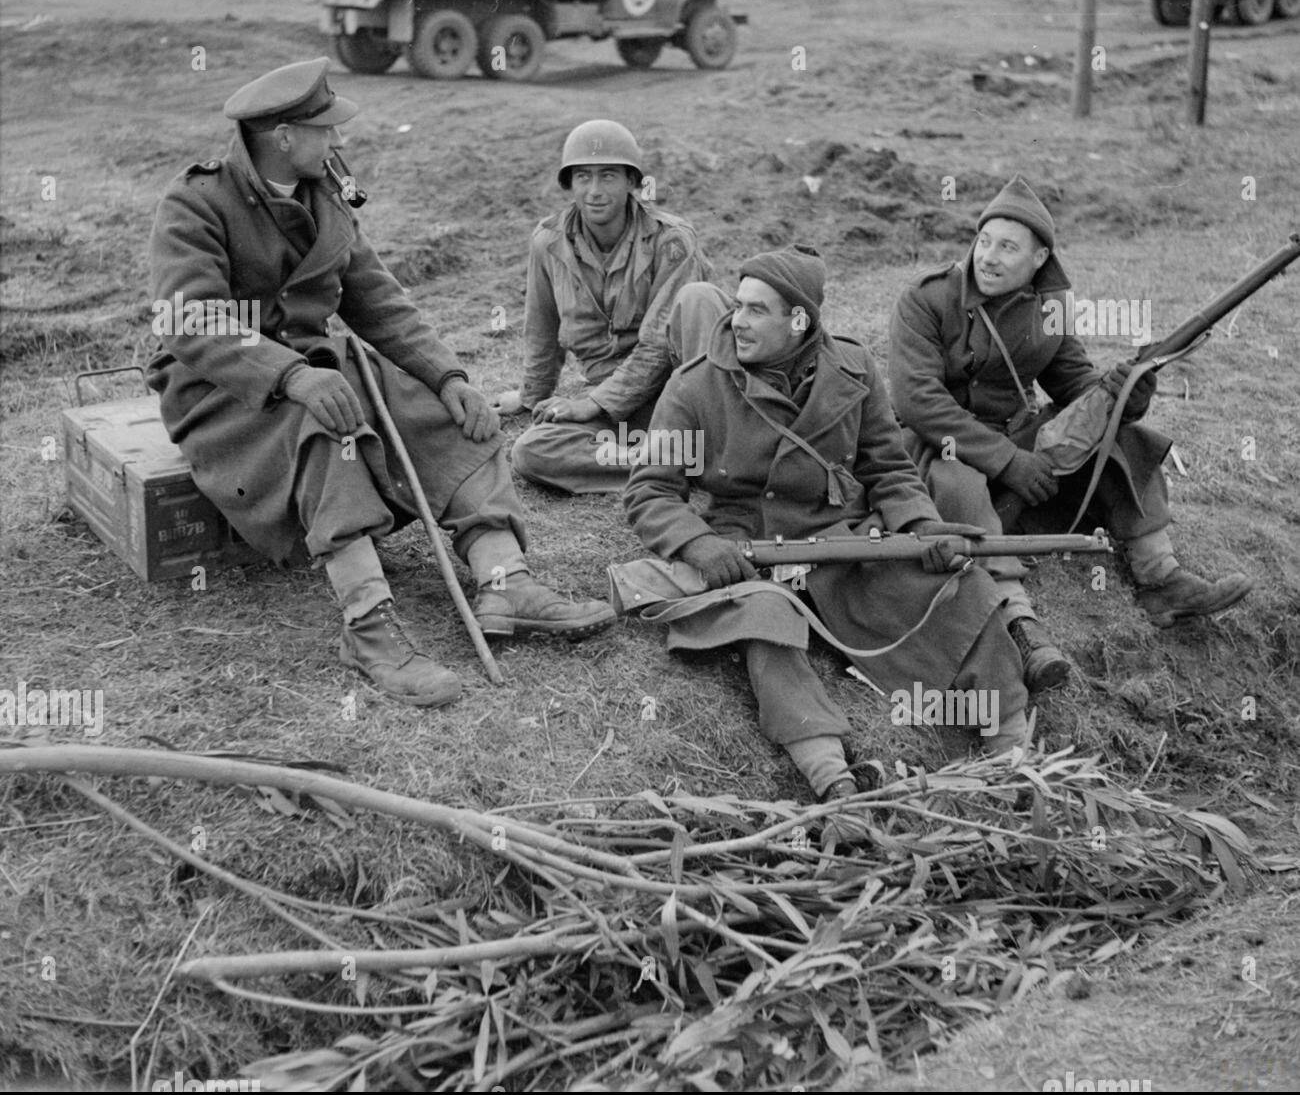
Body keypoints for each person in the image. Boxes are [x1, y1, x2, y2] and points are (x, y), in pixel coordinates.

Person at [147, 57, 613, 709]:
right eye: (324, 129)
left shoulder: (327, 197)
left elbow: (377, 301)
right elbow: (189, 320)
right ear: (282, 135)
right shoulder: (196, 203)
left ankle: (506, 584)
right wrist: (290, 375)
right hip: (226, 389)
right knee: (326, 429)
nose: (338, 141)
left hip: (319, 368)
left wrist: (446, 376)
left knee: (451, 416)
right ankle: (367, 627)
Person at [623, 245, 1034, 815]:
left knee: (958, 593)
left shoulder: (854, 368)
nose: (736, 320)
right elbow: (649, 490)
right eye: (737, 306)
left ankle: (1012, 758)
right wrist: (700, 544)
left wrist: (920, 528)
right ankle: (834, 783)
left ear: (800, 321)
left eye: (756, 310)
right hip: (750, 548)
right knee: (765, 622)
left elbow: (888, 470)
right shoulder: (696, 385)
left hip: (843, 539)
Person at [889, 174, 1252, 684]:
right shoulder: (927, 299)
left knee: (1120, 435)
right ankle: (1019, 623)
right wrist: (1008, 461)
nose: (988, 257)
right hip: (941, 445)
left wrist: (1125, 394)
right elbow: (918, 401)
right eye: (984, 242)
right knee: (957, 484)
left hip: (1019, 441)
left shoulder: (1049, 307)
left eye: (1008, 248)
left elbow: (1075, 383)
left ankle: (1161, 579)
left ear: (1038, 260)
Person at [497, 120, 718, 493]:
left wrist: (595, 403)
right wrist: (531, 397)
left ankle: (682, 451)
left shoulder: (671, 242)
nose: (595, 191)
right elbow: (542, 330)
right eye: (583, 177)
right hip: (613, 406)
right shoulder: (548, 242)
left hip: (673, 395)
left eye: (609, 177)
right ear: (568, 185)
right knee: (532, 452)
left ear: (633, 182)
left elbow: (659, 346)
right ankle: (666, 462)